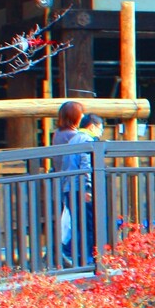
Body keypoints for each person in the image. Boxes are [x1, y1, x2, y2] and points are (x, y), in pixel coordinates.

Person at [54, 100, 92, 264]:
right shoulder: (75, 137)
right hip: (75, 184)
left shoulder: (58, 134)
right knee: (81, 221)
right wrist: (87, 186)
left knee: (72, 220)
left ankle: (71, 252)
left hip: (65, 184)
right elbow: (83, 162)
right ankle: (76, 254)